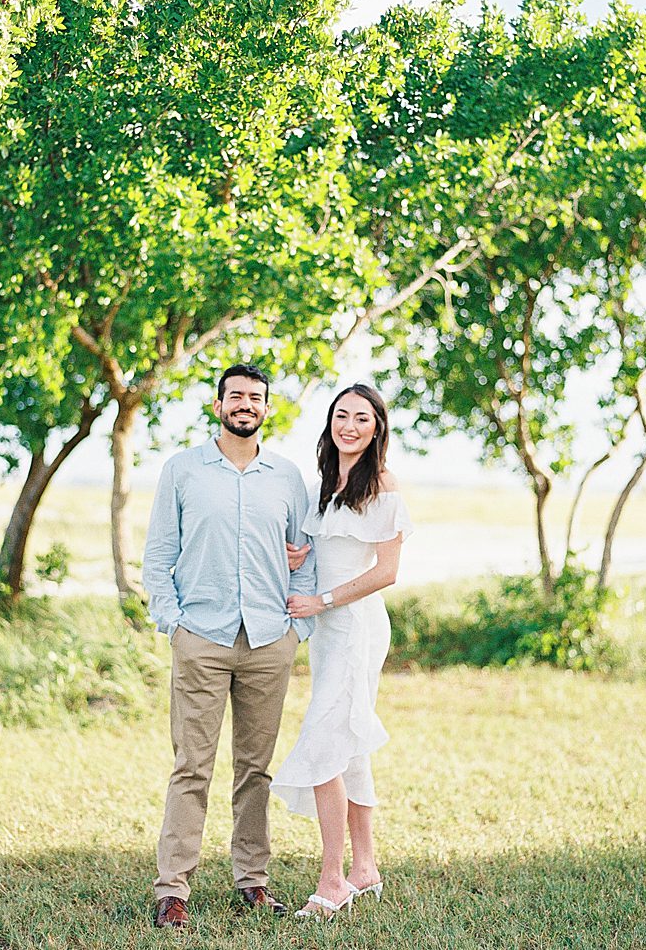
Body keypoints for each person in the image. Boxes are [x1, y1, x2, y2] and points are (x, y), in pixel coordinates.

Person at [142, 362, 319, 930]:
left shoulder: (286, 477)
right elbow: (157, 556)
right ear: (218, 405)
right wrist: (175, 625)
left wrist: (299, 629)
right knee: (191, 767)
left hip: (270, 640)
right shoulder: (183, 471)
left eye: (256, 398)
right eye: (235, 396)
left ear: (268, 409)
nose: (245, 404)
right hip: (203, 639)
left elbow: (305, 557)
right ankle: (173, 889)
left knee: (255, 770)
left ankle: (253, 882)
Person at [270, 383, 410, 920]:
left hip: (356, 628)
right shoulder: (327, 483)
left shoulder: (383, 484)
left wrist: (321, 599)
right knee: (348, 741)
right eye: (341, 415)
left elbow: (386, 572)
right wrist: (302, 552)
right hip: (327, 634)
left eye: (362, 418)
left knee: (325, 742)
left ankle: (332, 880)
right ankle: (366, 866)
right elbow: (324, 550)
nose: (349, 425)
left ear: (377, 430)